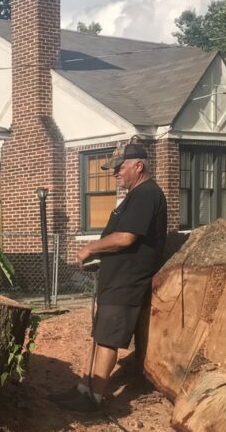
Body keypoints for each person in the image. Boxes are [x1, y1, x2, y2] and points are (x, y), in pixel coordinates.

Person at [54, 141, 167, 412]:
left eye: (120, 167)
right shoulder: (132, 196)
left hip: (128, 281)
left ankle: (95, 399)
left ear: (138, 166)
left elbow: (126, 238)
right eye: (114, 169)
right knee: (99, 335)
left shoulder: (146, 194)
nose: (115, 173)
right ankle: (84, 388)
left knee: (107, 340)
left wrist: (90, 248)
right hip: (114, 279)